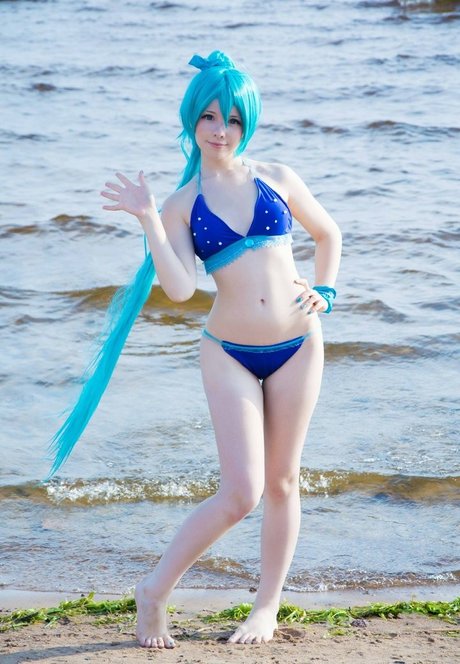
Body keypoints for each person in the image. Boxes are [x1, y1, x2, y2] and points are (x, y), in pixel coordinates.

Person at [56, 49, 341, 649]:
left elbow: (327, 233)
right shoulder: (182, 204)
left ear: (247, 123)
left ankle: (266, 608)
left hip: (299, 344)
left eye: (233, 119)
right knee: (241, 493)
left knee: (283, 482)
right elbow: (182, 289)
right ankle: (154, 590)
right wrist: (149, 220)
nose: (220, 130)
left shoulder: (278, 177)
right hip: (229, 352)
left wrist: (327, 289)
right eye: (210, 116)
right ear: (192, 119)